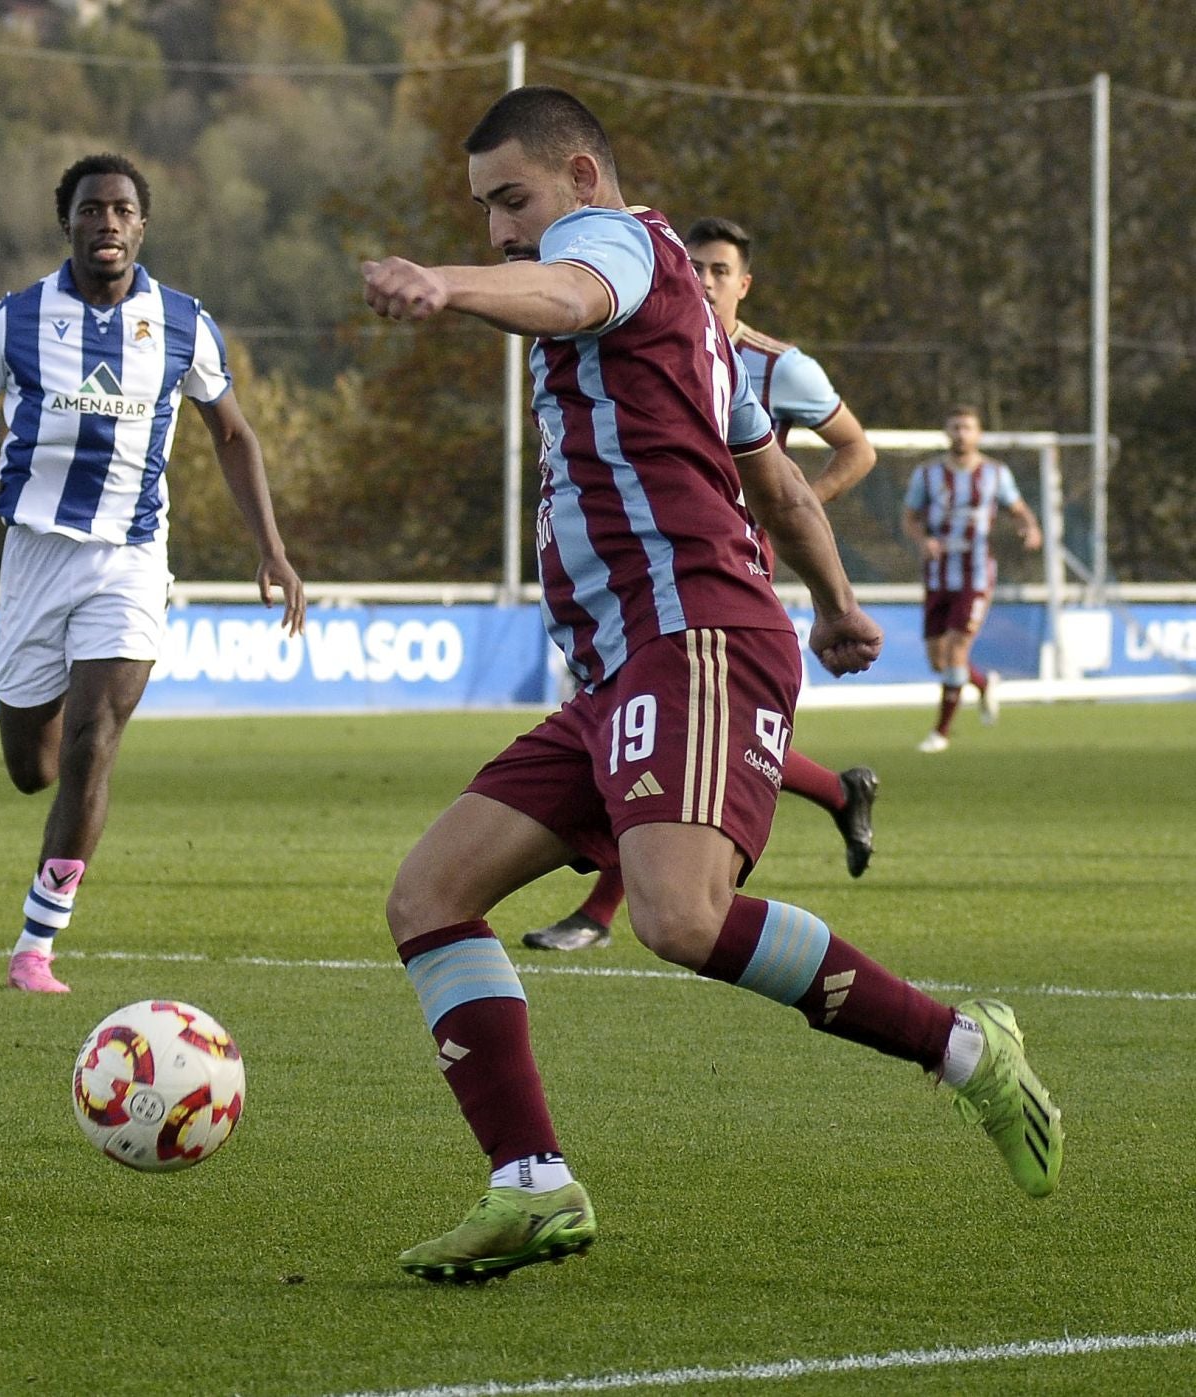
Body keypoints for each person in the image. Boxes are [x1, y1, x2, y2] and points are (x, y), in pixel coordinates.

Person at [361, 87, 1061, 1283]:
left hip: (690, 631)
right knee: (428, 894)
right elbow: (776, 481)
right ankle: (532, 1184)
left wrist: (450, 285)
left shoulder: (612, 245)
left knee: (678, 913)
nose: (498, 235)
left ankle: (965, 1047)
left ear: (583, 176)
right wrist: (839, 603)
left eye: (511, 203)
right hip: (623, 661)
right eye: (480, 217)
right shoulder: (691, 314)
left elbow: (568, 291)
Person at [0, 153, 305, 993]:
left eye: (122, 209)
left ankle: (37, 941)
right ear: (65, 221)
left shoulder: (183, 324)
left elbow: (234, 436)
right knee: (31, 767)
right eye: (91, 209)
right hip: (35, 554)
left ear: (143, 225)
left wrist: (273, 548)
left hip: (131, 557)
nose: (107, 222)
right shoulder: (17, 320)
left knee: (92, 741)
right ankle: (71, 723)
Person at [524, 215, 880, 952]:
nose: (709, 279)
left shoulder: (781, 368)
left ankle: (599, 908)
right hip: (650, 569)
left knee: (673, 737)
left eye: (723, 269)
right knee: (685, 737)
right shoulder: (651, 339)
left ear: (745, 283)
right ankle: (841, 792)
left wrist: (791, 507)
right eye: (699, 266)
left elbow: (857, 448)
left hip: (726, 573)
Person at [903, 405, 1042, 753]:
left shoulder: (995, 473)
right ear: (946, 432)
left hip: (976, 573)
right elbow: (909, 517)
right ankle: (982, 683)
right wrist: (924, 541)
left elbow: (1018, 508)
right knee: (939, 660)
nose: (961, 434)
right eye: (955, 427)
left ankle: (941, 733)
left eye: (967, 427)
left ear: (978, 433)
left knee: (955, 650)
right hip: (937, 575)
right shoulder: (927, 474)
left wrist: (1029, 526)